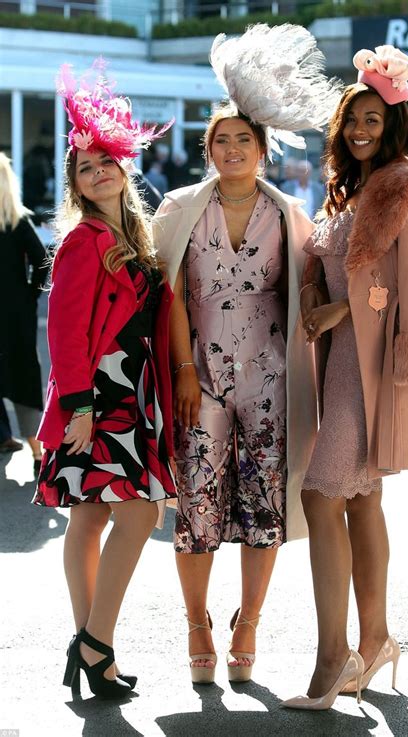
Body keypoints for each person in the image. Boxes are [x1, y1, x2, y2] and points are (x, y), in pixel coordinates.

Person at [282, 44, 408, 711]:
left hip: (373, 370)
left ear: (393, 125)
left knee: (320, 495)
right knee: (359, 501)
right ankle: (379, 637)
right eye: (352, 120)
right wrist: (316, 298)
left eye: (373, 119)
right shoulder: (352, 188)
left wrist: (348, 310)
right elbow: (333, 263)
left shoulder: (407, 188)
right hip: (339, 365)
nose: (361, 129)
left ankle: (335, 657)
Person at [153, 23, 339, 685]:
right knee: (198, 508)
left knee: (266, 510)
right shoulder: (178, 208)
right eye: (220, 141)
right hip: (197, 380)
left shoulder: (292, 213)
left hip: (270, 384)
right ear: (207, 149)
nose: (231, 149)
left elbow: (314, 288)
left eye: (242, 140)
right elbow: (167, 296)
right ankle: (198, 621)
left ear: (262, 148)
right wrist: (179, 372)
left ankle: (249, 622)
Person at [32, 60, 176, 699]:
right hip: (99, 395)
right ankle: (95, 642)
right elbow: (62, 333)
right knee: (140, 511)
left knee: (90, 517)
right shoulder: (83, 241)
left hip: (132, 392)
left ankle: (92, 653)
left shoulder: (132, 240)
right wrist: (79, 406)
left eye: (104, 161)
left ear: (123, 165)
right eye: (84, 167)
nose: (97, 172)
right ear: (76, 185)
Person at [0, 152, 47, 470]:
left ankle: (14, 438)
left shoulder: (17, 220)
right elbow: (42, 258)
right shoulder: (17, 221)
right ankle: (36, 449)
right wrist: (30, 293)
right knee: (24, 374)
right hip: (16, 311)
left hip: (16, 309)